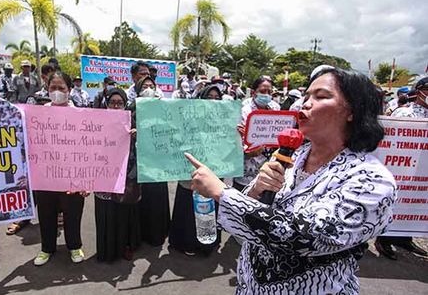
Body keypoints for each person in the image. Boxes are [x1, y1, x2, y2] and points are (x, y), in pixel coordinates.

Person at [184, 67, 397, 294]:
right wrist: (256, 190)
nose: (305, 104)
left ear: (352, 111)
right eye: (306, 96)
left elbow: (305, 238)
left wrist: (222, 193)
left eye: (321, 96)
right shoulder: (291, 155)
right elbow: (248, 221)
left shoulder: (372, 180)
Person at [33, 71, 88, 266]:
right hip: (45, 176)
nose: (56, 92)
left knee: (73, 213)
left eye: (61, 88)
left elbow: (90, 148)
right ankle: (46, 248)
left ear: (70, 90)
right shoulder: (37, 115)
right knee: (46, 213)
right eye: (52, 88)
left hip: (73, 176)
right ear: (47, 90)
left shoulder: (81, 115)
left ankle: (74, 246)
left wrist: (86, 179)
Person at [375, 77, 428, 260]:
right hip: (404, 168)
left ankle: (404, 237)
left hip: (423, 171)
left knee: (413, 204)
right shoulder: (406, 114)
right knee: (397, 200)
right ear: (419, 92)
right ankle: (384, 239)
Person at [169, 85, 223, 256]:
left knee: (210, 209)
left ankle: (208, 243)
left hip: (214, 175)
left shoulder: (226, 122)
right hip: (190, 176)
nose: (213, 101)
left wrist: (237, 135)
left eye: (217, 97)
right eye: (209, 97)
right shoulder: (188, 118)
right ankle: (187, 242)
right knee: (188, 209)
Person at [94, 88, 141, 262]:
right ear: (106, 104)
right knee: (105, 213)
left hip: (125, 179)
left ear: (125, 105)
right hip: (103, 178)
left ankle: (125, 247)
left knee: (122, 214)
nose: (115, 106)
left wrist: (137, 137)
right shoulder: (96, 125)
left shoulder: (132, 125)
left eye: (119, 103)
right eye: (112, 103)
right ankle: (107, 250)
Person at [129, 76, 171, 246]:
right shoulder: (131, 109)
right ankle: (140, 235)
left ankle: (157, 234)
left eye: (151, 86)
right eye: (144, 86)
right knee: (140, 197)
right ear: (138, 90)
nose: (148, 88)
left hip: (158, 161)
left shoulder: (163, 109)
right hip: (139, 162)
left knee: (156, 197)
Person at [233, 77, 279, 192]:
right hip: (245, 173)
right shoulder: (243, 112)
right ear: (253, 93)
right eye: (263, 91)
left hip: (268, 173)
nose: (267, 95)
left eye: (269, 92)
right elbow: (236, 144)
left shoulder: (275, 110)